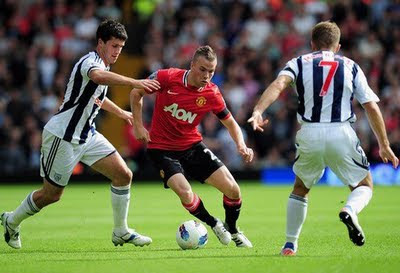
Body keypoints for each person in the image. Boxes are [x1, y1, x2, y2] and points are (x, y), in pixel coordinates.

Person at [1, 19, 161, 249]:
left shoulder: (104, 66)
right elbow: (97, 78)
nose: (117, 52)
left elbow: (96, 97)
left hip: (87, 135)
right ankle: (11, 220)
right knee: (51, 195)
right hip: (62, 136)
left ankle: (121, 231)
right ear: (101, 43)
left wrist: (121, 113)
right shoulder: (90, 61)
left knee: (124, 175)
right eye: (114, 46)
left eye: (121, 48)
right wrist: (135, 81)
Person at [248, 21, 399, 256]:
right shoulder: (351, 66)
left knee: (300, 188)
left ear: (312, 44)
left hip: (309, 133)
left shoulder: (298, 62)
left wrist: (258, 111)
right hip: (341, 132)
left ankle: (290, 244)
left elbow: (278, 84)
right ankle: (349, 209)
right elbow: (370, 106)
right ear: (337, 46)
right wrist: (384, 144)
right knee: (364, 185)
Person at [130, 45, 254, 247]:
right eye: (203, 69)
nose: (207, 76)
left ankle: (232, 229)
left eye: (211, 71)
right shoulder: (166, 77)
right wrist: (138, 125)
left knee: (233, 190)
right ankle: (213, 223)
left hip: (192, 146)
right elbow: (136, 92)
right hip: (161, 149)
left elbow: (230, 122)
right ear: (192, 65)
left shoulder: (212, 93)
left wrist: (241, 145)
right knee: (185, 192)